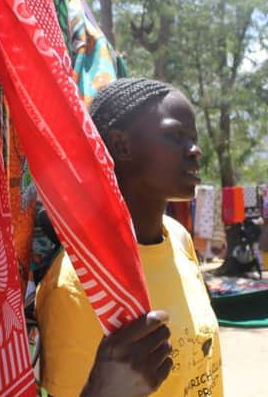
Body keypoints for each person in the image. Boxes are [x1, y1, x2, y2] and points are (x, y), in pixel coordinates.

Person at [36, 78, 223, 397]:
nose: (196, 151)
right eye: (177, 136)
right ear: (122, 145)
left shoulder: (178, 238)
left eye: (193, 138)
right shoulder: (78, 280)